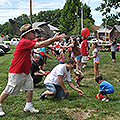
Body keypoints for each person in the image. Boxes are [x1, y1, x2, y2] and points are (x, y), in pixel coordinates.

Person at [0, 23, 65, 116]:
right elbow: (41, 44)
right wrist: (54, 39)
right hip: (17, 71)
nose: (34, 33)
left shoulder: (27, 42)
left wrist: (52, 39)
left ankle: (28, 106)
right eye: (32, 32)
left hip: (25, 71)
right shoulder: (24, 42)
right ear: (27, 34)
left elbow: (39, 44)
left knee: (29, 88)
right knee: (9, 89)